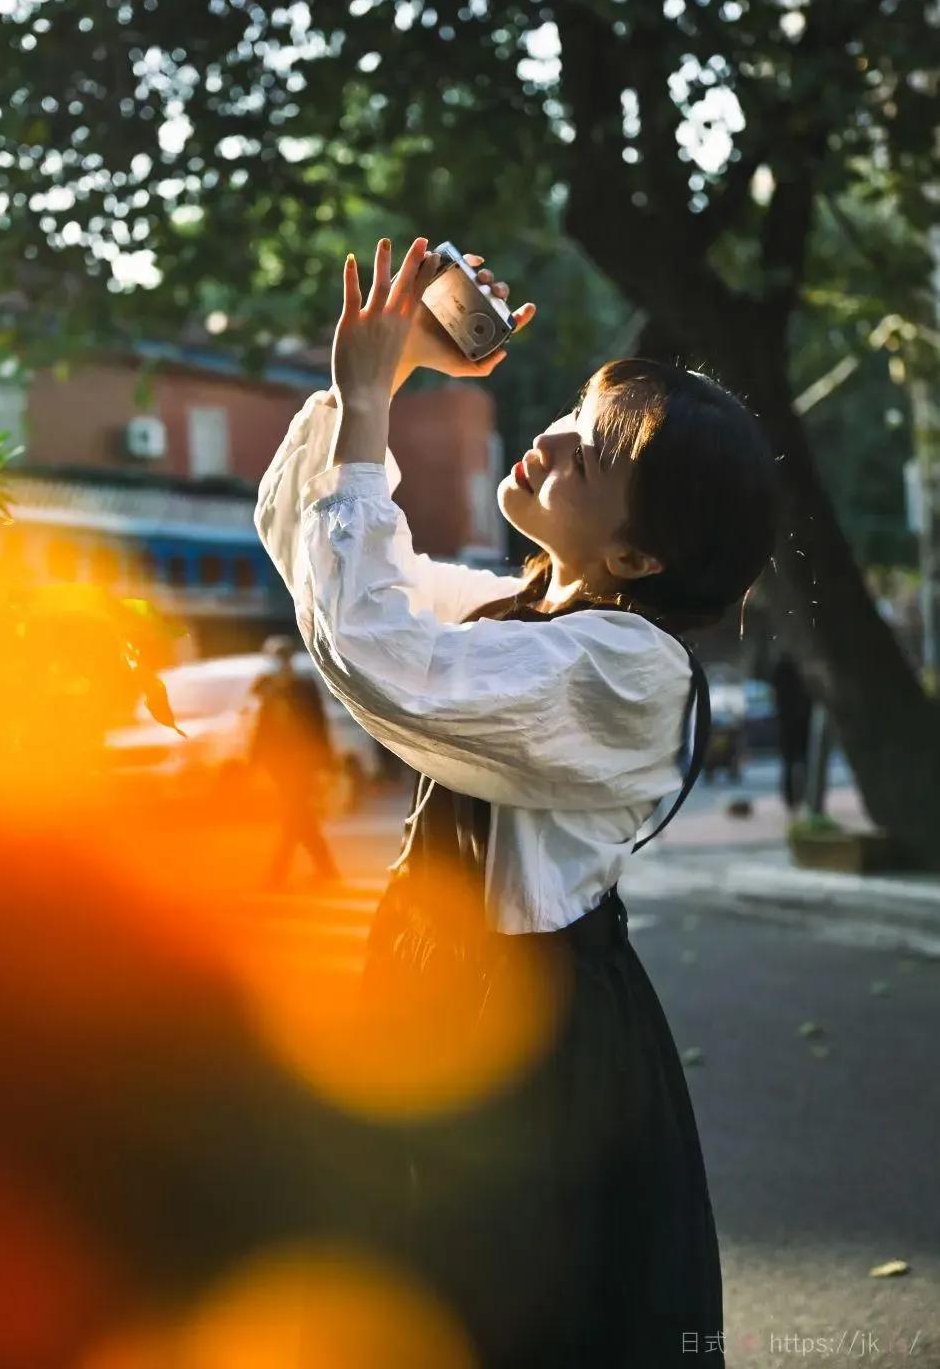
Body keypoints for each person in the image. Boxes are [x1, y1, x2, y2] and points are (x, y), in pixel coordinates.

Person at [254, 236, 780, 1366]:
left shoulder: (624, 671)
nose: (552, 437)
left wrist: (367, 405)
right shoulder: (518, 616)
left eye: (593, 452)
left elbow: (376, 649)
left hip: (529, 1044)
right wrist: (387, 381)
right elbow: (325, 573)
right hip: (445, 999)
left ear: (639, 550)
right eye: (576, 416)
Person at [251, 642, 342, 887]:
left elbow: (318, 724)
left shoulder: (304, 687)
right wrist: (255, 762)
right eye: (277, 660)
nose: (282, 665)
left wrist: (327, 762)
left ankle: (278, 873)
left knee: (293, 814)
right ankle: (325, 868)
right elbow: (262, 728)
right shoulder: (267, 688)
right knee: (299, 816)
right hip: (279, 764)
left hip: (303, 762)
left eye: (285, 659)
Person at [769, 648, 813, 816]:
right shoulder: (801, 671)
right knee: (801, 760)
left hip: (787, 721)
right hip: (800, 721)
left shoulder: (782, 672)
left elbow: (775, 696)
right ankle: (802, 797)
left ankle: (792, 799)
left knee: (789, 762)